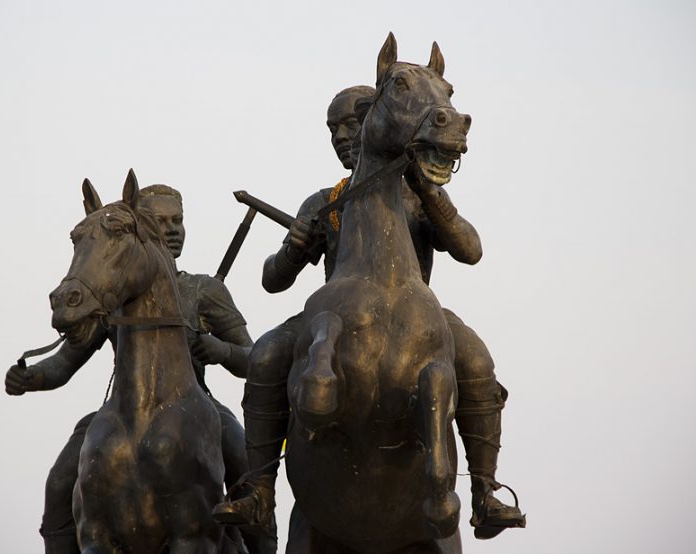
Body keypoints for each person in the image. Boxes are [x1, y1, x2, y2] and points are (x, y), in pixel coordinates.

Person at [213, 86, 525, 540]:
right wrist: (296, 247)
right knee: (266, 354)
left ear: (379, 124)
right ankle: (259, 489)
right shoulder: (324, 200)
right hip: (334, 315)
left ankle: (484, 492)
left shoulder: (419, 194)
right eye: (332, 129)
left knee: (475, 357)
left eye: (350, 124)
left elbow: (470, 249)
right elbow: (272, 280)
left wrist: (430, 194)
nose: (341, 136)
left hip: (419, 320)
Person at [6, 184, 264, 554]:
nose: (172, 228)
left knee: (244, 458)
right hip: (121, 412)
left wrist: (219, 349)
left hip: (197, 405)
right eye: (160, 221)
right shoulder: (112, 297)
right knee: (62, 479)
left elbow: (251, 358)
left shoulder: (203, 290)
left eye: (178, 220)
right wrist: (31, 376)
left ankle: (261, 541)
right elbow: (65, 362)